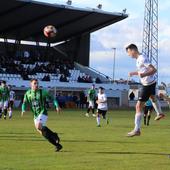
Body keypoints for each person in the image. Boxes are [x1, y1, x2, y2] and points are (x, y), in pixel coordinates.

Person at [126, 44, 165, 137]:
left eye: (128, 52)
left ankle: (137, 130)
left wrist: (143, 75)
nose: (128, 55)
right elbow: (142, 71)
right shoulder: (139, 60)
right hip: (151, 83)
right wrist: (134, 73)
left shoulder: (142, 58)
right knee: (153, 98)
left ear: (133, 50)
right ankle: (160, 113)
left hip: (147, 85)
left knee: (138, 106)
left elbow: (153, 70)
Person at [21, 79, 62, 152]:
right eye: (35, 83)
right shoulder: (28, 93)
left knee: (38, 126)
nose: (36, 85)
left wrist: (56, 106)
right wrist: (23, 109)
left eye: (37, 83)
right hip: (35, 115)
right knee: (42, 133)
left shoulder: (42, 92)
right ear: (31, 85)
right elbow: (24, 102)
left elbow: (53, 99)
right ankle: (57, 145)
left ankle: (55, 136)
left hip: (43, 112)